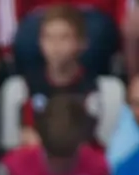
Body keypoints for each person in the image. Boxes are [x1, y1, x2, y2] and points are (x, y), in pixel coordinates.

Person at [19, 5, 101, 148]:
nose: (55, 45)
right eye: (48, 37)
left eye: (64, 38)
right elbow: (28, 131)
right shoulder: (31, 83)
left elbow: (87, 135)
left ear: (81, 42)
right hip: (40, 156)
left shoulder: (89, 86)